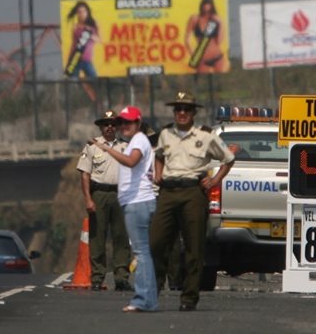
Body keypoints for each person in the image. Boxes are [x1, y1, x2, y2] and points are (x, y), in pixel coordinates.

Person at [149, 90, 235, 311]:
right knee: (156, 242)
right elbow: (158, 156)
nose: (182, 113)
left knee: (194, 247)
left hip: (192, 193)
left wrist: (215, 179)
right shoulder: (165, 135)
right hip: (168, 192)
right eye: (178, 109)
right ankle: (154, 290)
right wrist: (158, 173)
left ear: (194, 113)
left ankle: (189, 297)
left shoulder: (205, 136)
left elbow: (228, 158)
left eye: (186, 109)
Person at [89, 105, 158, 312]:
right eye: (122, 122)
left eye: (129, 122)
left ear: (138, 123)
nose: (123, 126)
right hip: (133, 201)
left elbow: (131, 161)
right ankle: (149, 300)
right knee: (142, 253)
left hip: (138, 202)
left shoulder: (137, 140)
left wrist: (106, 149)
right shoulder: (134, 141)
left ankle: (142, 300)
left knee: (141, 253)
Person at [76, 110, 131, 291]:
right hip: (99, 193)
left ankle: (121, 277)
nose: (109, 127)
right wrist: (88, 199)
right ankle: (98, 277)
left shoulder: (125, 147)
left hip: (120, 194)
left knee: (121, 237)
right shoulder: (92, 147)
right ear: (101, 127)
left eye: (113, 124)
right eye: (106, 124)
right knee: (97, 236)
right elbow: (85, 174)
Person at [185, 0, 228, 73]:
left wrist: (221, 23)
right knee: (202, 82)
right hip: (202, 59)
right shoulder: (195, 19)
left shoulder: (215, 20)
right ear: (201, 5)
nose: (206, 7)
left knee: (222, 82)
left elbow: (219, 41)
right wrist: (193, 56)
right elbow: (187, 40)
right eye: (205, 4)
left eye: (208, 4)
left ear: (212, 6)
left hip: (217, 57)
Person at [64, 0, 100, 78]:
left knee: (94, 81)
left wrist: (90, 36)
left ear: (87, 12)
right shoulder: (75, 27)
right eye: (79, 12)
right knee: (72, 83)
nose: (82, 14)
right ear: (77, 14)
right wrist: (69, 62)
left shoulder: (93, 24)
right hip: (75, 59)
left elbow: (99, 39)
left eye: (84, 11)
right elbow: (73, 45)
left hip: (87, 59)